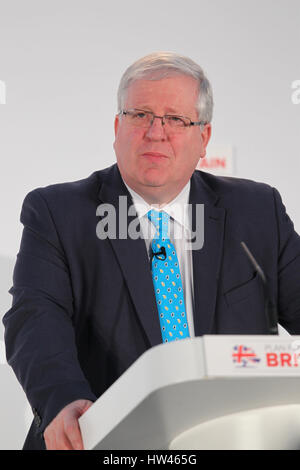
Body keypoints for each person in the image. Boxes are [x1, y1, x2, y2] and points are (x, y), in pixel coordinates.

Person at [3, 51, 300, 451]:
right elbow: (35, 318)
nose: (155, 132)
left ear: (204, 138)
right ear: (117, 127)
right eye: (140, 115)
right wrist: (62, 400)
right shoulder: (57, 213)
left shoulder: (257, 211)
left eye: (175, 119)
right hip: (103, 443)